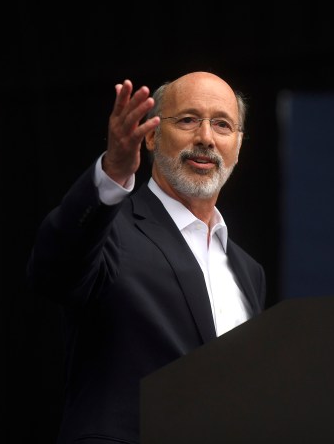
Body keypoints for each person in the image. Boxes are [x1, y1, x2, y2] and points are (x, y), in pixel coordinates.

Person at [27, 71, 267, 443]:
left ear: (237, 145)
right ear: (152, 135)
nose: (205, 137)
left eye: (222, 125)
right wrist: (111, 176)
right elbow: (52, 270)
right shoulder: (110, 229)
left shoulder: (249, 272)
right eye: (188, 120)